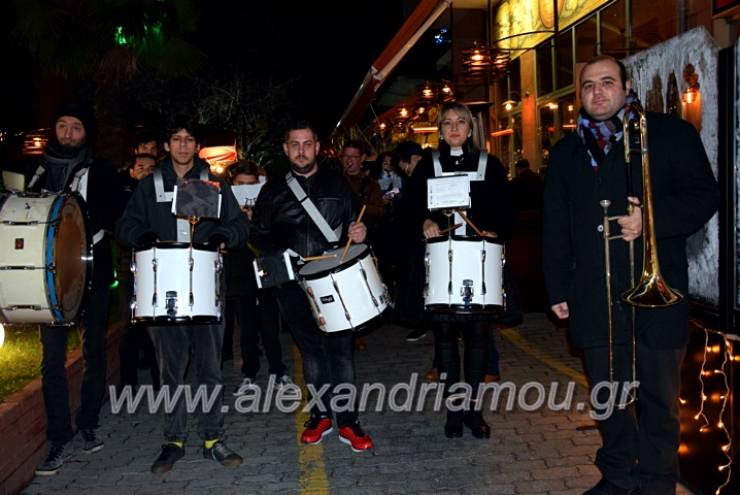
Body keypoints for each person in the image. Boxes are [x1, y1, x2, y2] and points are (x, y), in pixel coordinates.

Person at [542, 55, 719, 495]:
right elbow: (555, 224)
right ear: (579, 95)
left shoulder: (670, 134)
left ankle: (657, 483)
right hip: (593, 291)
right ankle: (619, 474)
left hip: (658, 287)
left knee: (659, 398)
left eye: (606, 82)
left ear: (626, 86)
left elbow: (704, 196)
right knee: (607, 396)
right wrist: (557, 286)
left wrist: (651, 220)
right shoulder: (566, 152)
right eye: (587, 86)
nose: (597, 92)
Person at [116, 116, 249, 475]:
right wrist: (141, 236)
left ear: (197, 145)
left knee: (209, 369)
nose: (183, 145)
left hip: (206, 289)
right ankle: (173, 440)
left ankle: (212, 439)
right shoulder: (150, 184)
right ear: (166, 145)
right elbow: (125, 225)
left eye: (189, 139)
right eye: (176, 139)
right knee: (170, 370)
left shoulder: (213, 182)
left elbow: (239, 224)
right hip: (165, 294)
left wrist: (224, 237)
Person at [250, 120, 373, 452]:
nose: (301, 150)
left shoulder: (338, 184)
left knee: (342, 352)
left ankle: (348, 421)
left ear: (318, 147)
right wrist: (278, 251)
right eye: (295, 144)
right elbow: (257, 236)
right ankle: (320, 415)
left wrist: (360, 231)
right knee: (312, 353)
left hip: (335, 279)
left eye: (307, 144)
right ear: (285, 148)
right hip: (292, 284)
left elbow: (357, 223)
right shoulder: (272, 190)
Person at [406, 101, 514, 439]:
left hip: (478, 264)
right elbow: (409, 207)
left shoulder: (490, 165)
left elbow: (505, 211)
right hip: (441, 264)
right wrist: (423, 220)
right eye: (448, 123)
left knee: (479, 340)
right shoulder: (427, 165)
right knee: (445, 341)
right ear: (439, 129)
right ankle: (453, 413)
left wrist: (496, 228)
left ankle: (474, 412)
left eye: (461, 122)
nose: (454, 128)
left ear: (470, 128)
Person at [30, 102, 126, 475]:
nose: (68, 134)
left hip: (92, 273)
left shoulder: (101, 170)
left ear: (87, 133)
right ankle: (58, 436)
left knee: (94, 351)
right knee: (51, 359)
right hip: (47, 279)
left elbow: (117, 214)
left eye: (76, 127)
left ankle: (87, 422)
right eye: (62, 125)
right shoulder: (35, 170)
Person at [224, 161, 291, 392]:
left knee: (269, 323)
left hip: (264, 266)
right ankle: (249, 372)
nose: (245, 188)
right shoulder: (225, 204)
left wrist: (256, 220)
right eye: (240, 184)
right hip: (239, 270)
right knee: (246, 327)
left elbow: (276, 234)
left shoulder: (268, 203)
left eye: (250, 185)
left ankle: (278, 370)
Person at [118, 153, 160, 393]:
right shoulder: (124, 196)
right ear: (132, 171)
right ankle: (128, 384)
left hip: (156, 270)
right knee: (128, 327)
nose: (145, 171)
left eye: (151, 168)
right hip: (129, 270)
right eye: (140, 167)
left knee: (155, 327)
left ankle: (159, 382)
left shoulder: (160, 197)